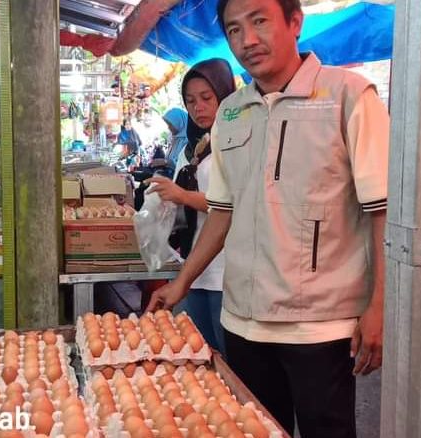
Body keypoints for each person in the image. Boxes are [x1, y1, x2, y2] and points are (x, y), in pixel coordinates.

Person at [147, 0, 390, 436]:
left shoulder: (349, 96)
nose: (248, 40)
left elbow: (382, 211)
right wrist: (181, 283)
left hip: (319, 326)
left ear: (295, 22)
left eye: (260, 21)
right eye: (234, 29)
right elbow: (222, 212)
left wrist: (379, 306)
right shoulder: (232, 112)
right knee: (254, 429)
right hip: (242, 322)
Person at [146, 59, 237, 358]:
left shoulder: (235, 144)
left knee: (228, 361)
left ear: (225, 95)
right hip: (194, 268)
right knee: (198, 355)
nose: (199, 107)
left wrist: (183, 196)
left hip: (226, 270)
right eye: (191, 101)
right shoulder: (192, 147)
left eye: (207, 98)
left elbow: (231, 203)